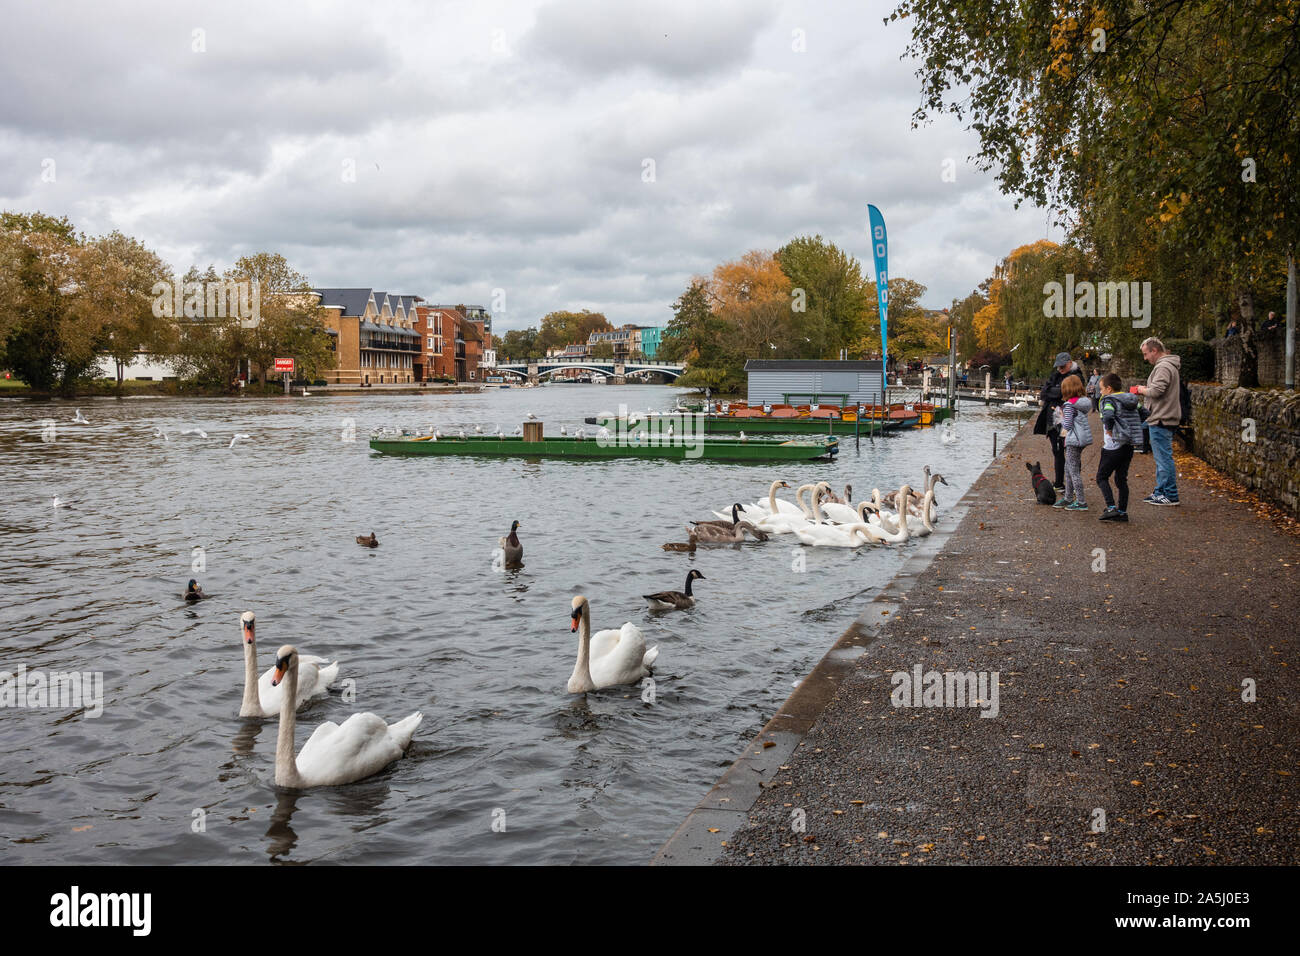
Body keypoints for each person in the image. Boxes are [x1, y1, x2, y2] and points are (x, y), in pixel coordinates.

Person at [1133, 337, 1182, 506]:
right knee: (1161, 458)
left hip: (1162, 418)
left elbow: (1157, 391)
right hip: (1163, 416)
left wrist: (1141, 390)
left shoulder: (1163, 367)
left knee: (1163, 459)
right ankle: (1161, 491)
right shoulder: (1168, 366)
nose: (1145, 358)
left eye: (1146, 354)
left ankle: (1170, 494)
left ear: (1154, 350)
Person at [1034, 351, 1084, 490]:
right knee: (1056, 451)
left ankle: (1073, 484)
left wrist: (1055, 392)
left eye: (1062, 367)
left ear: (1069, 363)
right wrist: (1055, 392)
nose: (1060, 370)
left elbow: (1064, 393)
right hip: (1052, 419)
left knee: (1071, 452)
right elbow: (1044, 392)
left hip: (1067, 418)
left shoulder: (1077, 376)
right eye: (1058, 367)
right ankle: (1058, 482)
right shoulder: (1056, 375)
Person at [1096, 373, 1141, 522]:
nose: (1100, 392)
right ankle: (1122, 512)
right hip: (1128, 445)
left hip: (1113, 445)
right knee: (1121, 479)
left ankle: (1111, 508)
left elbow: (1108, 415)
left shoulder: (1109, 400)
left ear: (1109, 388)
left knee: (1101, 477)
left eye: (1101, 389)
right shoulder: (1131, 399)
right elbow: (1145, 412)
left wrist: (1109, 428)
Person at [1054, 374, 1093, 511]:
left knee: (1073, 470)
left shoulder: (1069, 405)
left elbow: (1068, 425)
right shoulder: (1082, 402)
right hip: (1081, 439)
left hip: (1073, 440)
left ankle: (1081, 501)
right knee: (1068, 468)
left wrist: (1060, 417)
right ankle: (1068, 497)